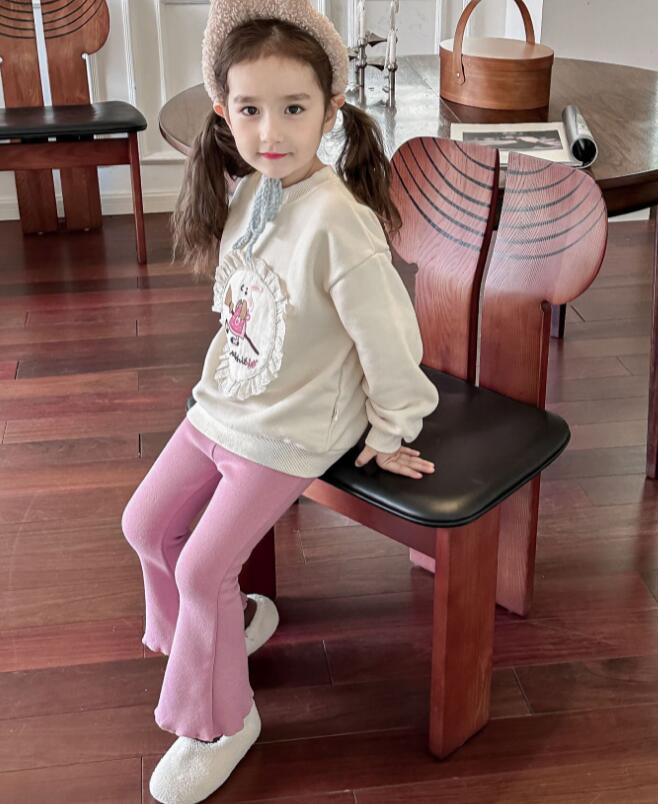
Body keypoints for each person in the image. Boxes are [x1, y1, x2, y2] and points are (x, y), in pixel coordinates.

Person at [121, 1, 439, 802]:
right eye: (251, 110)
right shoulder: (250, 195)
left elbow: (391, 340)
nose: (272, 132)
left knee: (202, 568)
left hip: (294, 429)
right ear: (223, 112)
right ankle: (216, 634)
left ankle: (221, 720)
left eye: (294, 109)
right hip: (228, 403)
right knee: (145, 526)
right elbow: (247, 309)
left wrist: (390, 428)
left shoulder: (340, 223)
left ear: (330, 110)